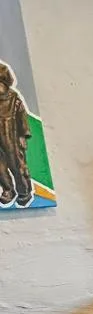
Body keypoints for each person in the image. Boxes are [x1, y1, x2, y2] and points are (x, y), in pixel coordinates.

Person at [0, 60, 34, 208]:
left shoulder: (14, 99)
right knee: (0, 168)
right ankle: (8, 190)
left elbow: (22, 117)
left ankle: (24, 192)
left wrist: (22, 136)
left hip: (12, 138)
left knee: (18, 166)